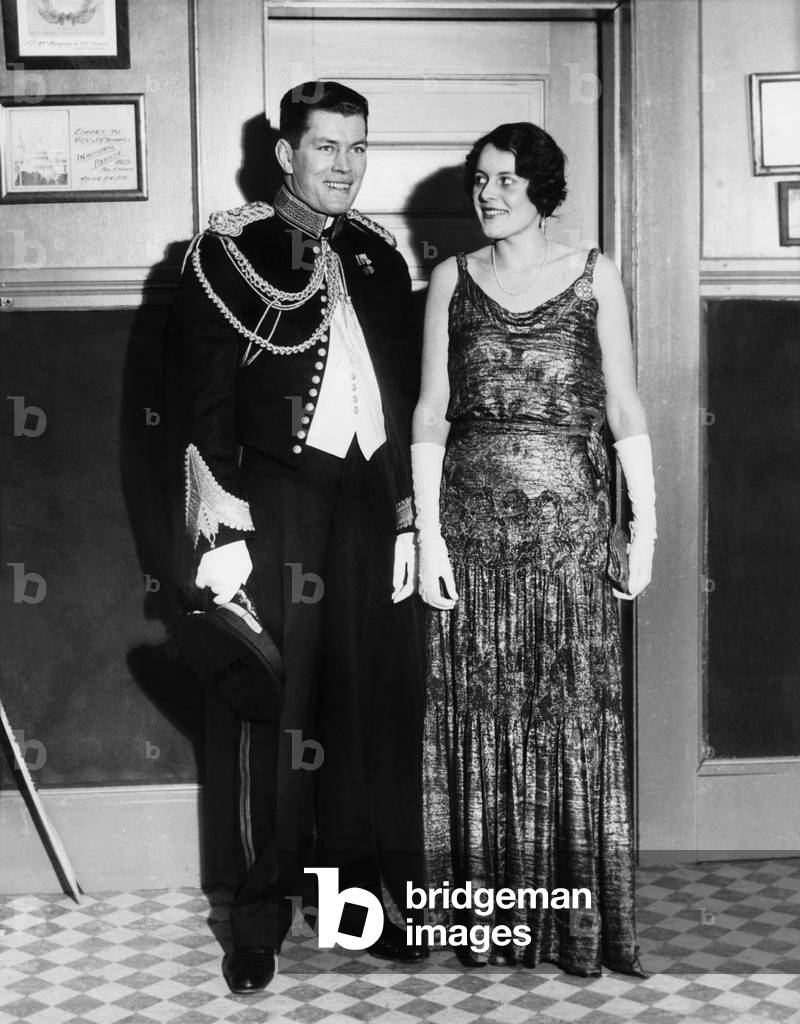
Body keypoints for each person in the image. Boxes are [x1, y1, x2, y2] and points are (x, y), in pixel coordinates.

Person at [173, 81, 426, 994]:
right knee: (270, 720)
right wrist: (218, 530)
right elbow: (199, 408)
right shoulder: (231, 250)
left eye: (358, 149)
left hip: (368, 503)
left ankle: (365, 900)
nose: (345, 167)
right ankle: (257, 918)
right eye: (327, 148)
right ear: (286, 154)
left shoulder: (375, 255)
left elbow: (400, 400)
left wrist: (408, 515)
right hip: (275, 502)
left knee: (371, 704)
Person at [412, 122, 654, 976]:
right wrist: (429, 535)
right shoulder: (450, 278)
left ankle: (577, 930)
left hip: (570, 544)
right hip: (473, 542)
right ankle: (494, 928)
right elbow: (430, 412)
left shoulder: (594, 275)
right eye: (480, 179)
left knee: (569, 718)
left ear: (542, 189)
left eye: (507, 180)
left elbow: (623, 406)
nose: (488, 194)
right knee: (481, 718)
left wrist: (644, 527)